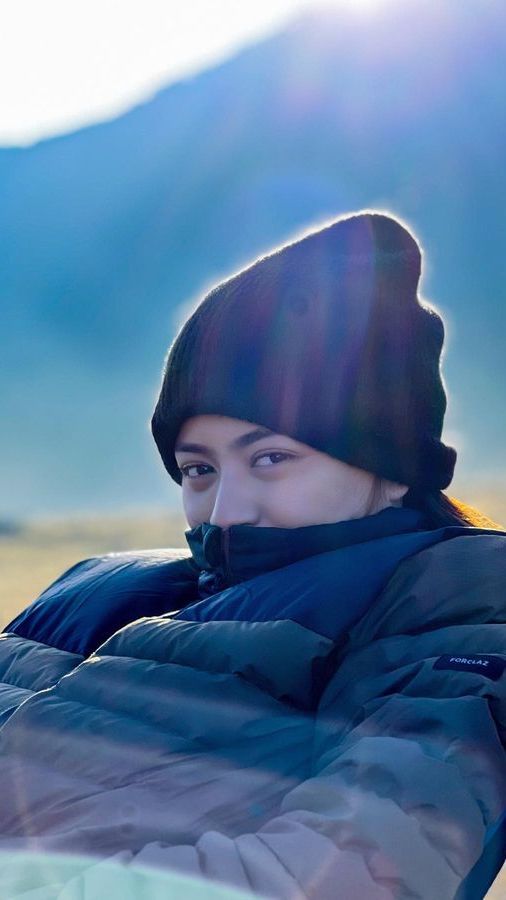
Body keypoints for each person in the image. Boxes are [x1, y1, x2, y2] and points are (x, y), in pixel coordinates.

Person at [0, 212, 504, 899]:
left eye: (270, 458)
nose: (227, 510)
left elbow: (349, 869)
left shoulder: (456, 603)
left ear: (393, 468)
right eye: (197, 470)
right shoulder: (103, 583)